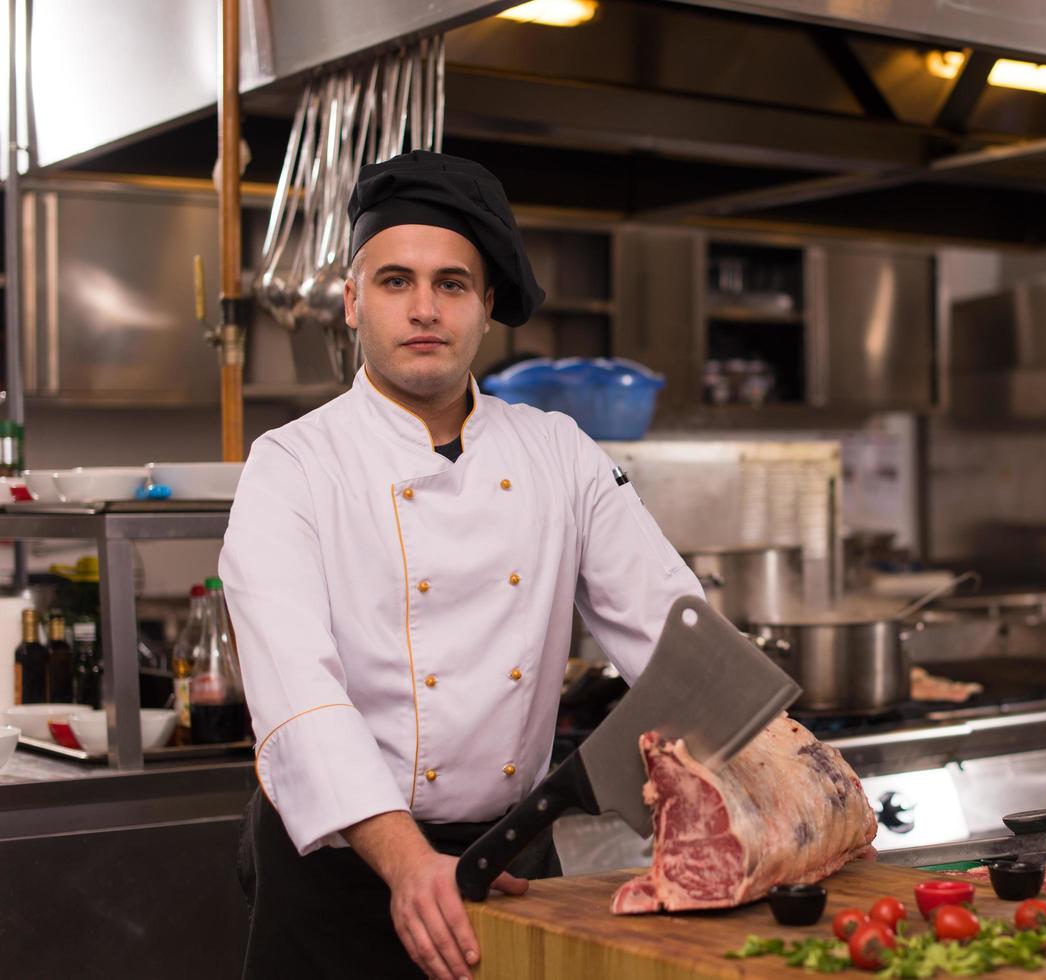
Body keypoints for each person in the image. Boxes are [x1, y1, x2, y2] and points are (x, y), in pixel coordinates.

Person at [220, 150, 703, 980]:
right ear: (351, 303)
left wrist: (783, 763)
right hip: (339, 867)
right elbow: (298, 696)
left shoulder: (557, 451)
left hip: (508, 861)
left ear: (485, 309)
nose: (423, 309)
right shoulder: (292, 464)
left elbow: (672, 632)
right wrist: (406, 864)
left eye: (451, 284)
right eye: (394, 281)